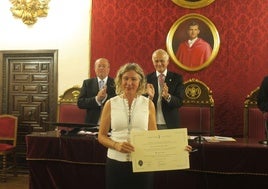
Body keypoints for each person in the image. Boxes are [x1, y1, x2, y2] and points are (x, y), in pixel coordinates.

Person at [98, 63, 157, 189]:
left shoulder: (148, 104)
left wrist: (178, 148)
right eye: (126, 78)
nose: (129, 82)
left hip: (143, 162)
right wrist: (116, 145)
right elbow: (101, 136)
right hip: (115, 162)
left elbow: (154, 137)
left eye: (134, 79)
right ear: (120, 80)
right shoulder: (110, 103)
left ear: (140, 81)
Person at [146, 49, 184, 130]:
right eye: (156, 61)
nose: (159, 64)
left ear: (167, 61)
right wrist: (150, 98)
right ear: (153, 62)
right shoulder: (147, 79)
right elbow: (141, 104)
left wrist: (167, 96)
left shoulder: (176, 78)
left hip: (170, 124)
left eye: (162, 61)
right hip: (151, 123)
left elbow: (179, 102)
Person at [77, 58, 116, 125]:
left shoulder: (116, 83)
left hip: (111, 124)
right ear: (95, 69)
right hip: (91, 124)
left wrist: (105, 97)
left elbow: (119, 101)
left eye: (103, 66)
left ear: (108, 69)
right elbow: (80, 103)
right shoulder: (87, 83)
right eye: (99, 66)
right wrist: (96, 99)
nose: (101, 68)